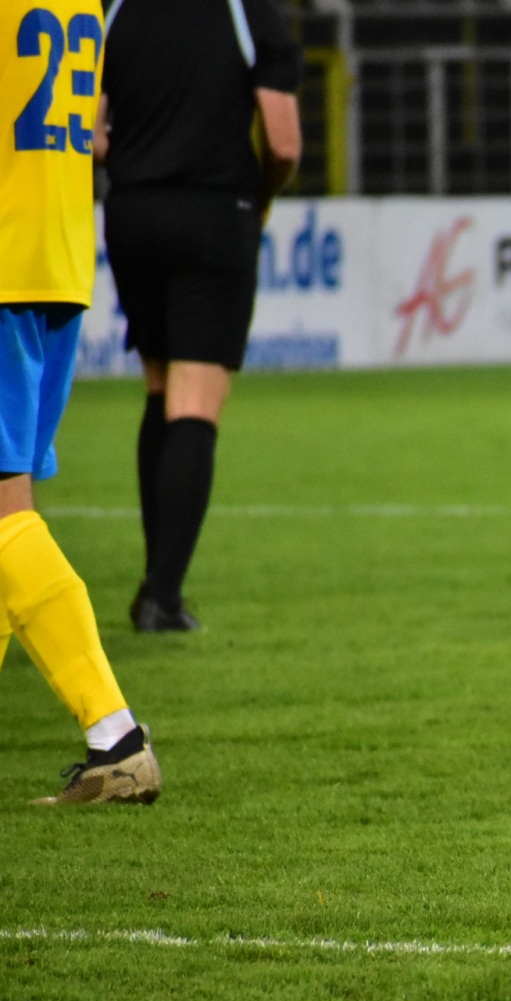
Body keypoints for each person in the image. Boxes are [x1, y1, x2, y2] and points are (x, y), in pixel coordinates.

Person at [97, 0, 302, 631]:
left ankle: (157, 584)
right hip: (214, 210)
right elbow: (284, 142)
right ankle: (162, 596)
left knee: (160, 387)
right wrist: (261, 195)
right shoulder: (246, 12)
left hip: (131, 212)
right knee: (196, 399)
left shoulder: (117, 10)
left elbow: (90, 133)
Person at [1, 0, 161, 803]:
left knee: (2, 515)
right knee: (9, 506)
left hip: (5, 256)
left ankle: (114, 731)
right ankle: (112, 740)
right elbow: (94, 129)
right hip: (58, 260)